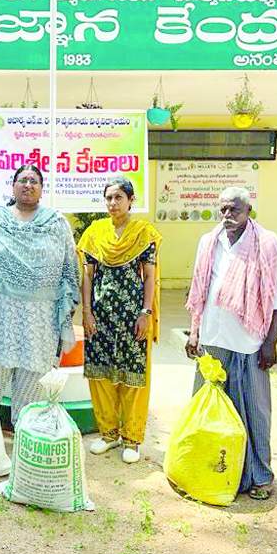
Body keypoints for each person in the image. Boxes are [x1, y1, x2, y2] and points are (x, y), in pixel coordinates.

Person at [184, 186, 277, 499]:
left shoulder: (267, 243)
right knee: (209, 412)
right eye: (224, 210)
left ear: (248, 211)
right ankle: (207, 472)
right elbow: (199, 290)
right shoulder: (209, 241)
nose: (228, 216)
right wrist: (194, 332)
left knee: (253, 412)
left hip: (248, 342)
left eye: (235, 210)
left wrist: (270, 342)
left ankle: (258, 477)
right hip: (213, 339)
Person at [0, 164, 80, 424]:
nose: (28, 185)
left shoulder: (56, 223)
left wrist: (68, 303)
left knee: (33, 389)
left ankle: (26, 441)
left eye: (34, 181)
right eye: (22, 180)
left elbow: (70, 267)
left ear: (41, 188)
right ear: (13, 186)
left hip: (41, 319)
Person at [78, 177, 161, 465]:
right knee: (101, 376)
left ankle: (132, 438)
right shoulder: (95, 233)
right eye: (108, 198)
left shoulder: (143, 233)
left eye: (118, 197)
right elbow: (87, 276)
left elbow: (149, 276)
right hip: (100, 316)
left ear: (130, 200)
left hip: (132, 317)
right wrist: (86, 313)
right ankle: (109, 433)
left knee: (133, 376)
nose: (113, 203)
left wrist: (145, 312)